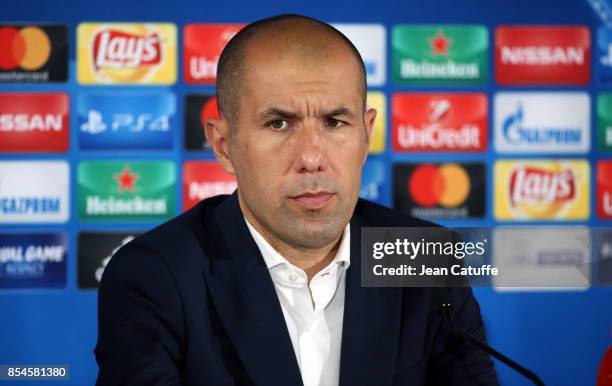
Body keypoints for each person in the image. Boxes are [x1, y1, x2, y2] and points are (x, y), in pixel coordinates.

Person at [95, 14, 500, 386]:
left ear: (366, 133)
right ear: (223, 145)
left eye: (334, 122)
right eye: (279, 123)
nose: (311, 158)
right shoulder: (155, 275)